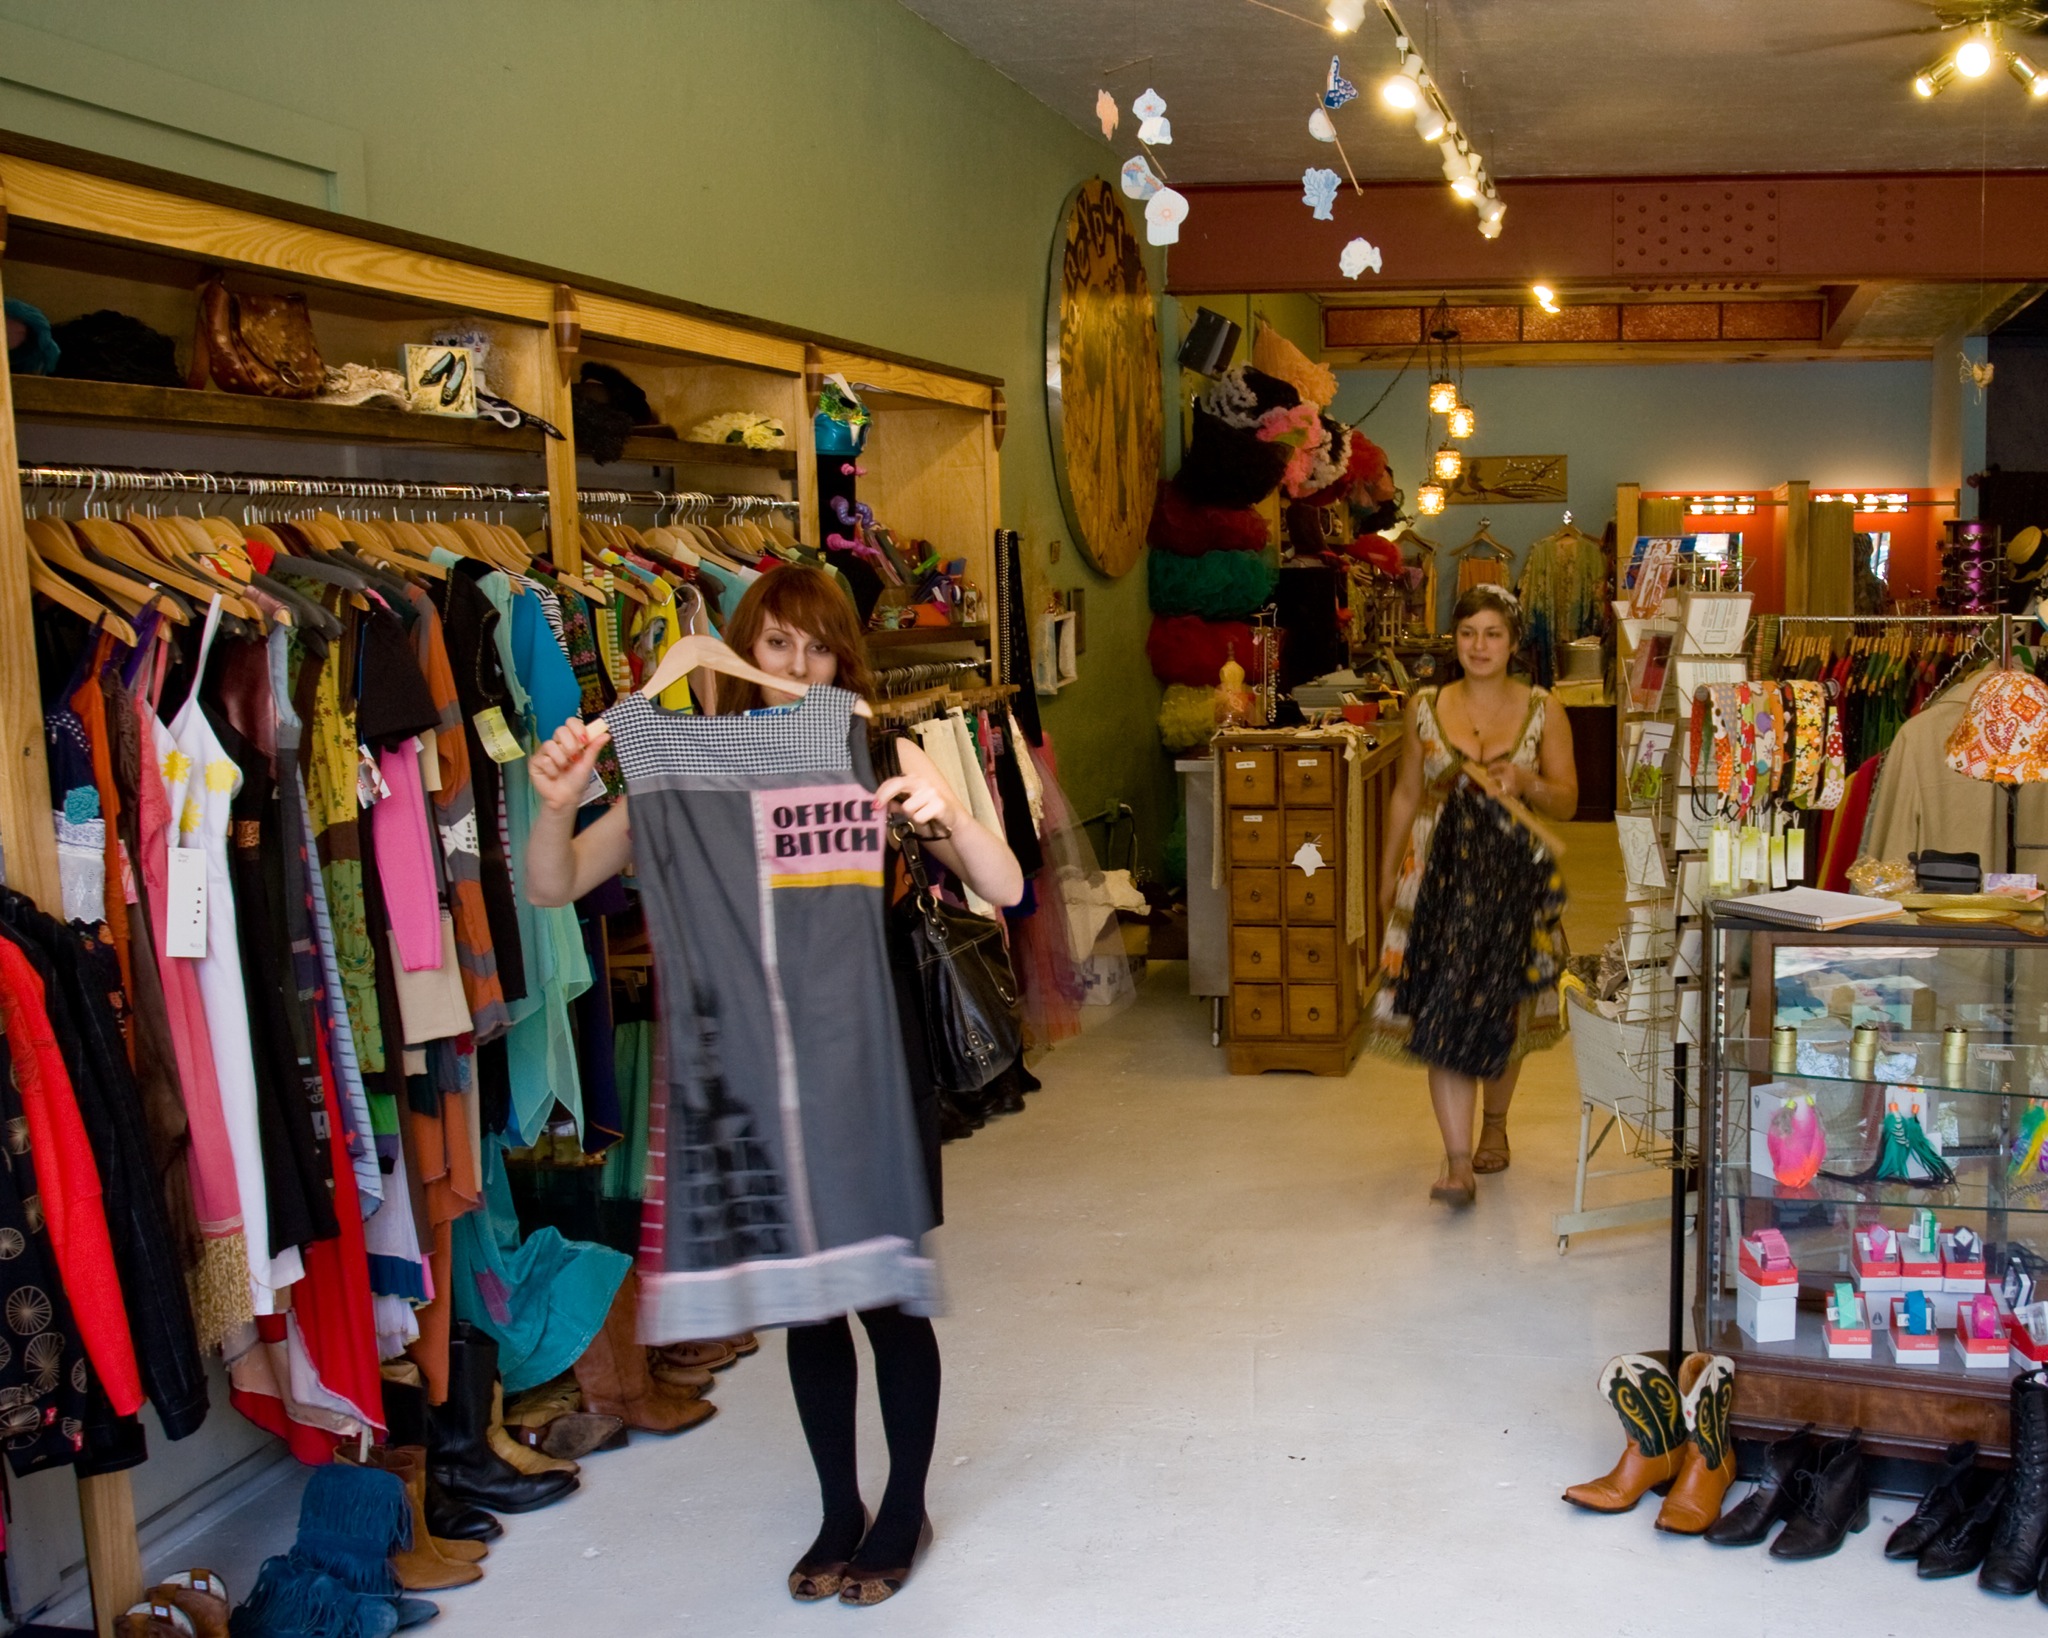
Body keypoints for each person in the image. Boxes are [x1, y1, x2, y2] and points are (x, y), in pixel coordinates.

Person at [523, 565, 1023, 1604]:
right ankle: (839, 1506)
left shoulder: (873, 746)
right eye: (778, 643)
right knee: (807, 1306)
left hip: (868, 1059)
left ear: (845, 658)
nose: (796, 665)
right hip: (750, 1065)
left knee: (881, 1294)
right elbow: (556, 882)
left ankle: (902, 1508)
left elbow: (1006, 885)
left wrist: (942, 814)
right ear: (742, 649)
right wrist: (559, 802)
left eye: (818, 646)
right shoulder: (676, 768)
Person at [1367, 583, 1577, 1206]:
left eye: (1492, 634)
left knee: (1504, 1005)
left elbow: (1566, 800)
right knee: (1443, 1005)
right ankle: (1457, 1162)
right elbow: (1408, 792)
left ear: (1513, 643)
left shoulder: (1546, 709)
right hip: (1437, 876)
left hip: (1514, 878)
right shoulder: (1424, 705)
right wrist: (1386, 878)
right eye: (1467, 634)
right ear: (1453, 641)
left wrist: (1526, 780)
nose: (1479, 646)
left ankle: (1494, 1126)